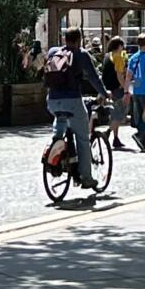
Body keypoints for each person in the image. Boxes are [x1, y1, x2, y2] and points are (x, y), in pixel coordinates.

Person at [42, 26, 107, 197]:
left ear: (65, 39)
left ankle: (57, 145)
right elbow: (94, 77)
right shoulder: (82, 54)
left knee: (61, 120)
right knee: (83, 137)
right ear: (79, 40)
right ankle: (86, 178)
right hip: (72, 100)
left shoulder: (53, 52)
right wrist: (104, 93)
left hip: (53, 101)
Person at [125, 34, 145, 152]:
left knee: (141, 116)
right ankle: (140, 135)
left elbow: (128, 76)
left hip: (136, 89)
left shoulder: (133, 57)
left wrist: (126, 91)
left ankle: (144, 142)